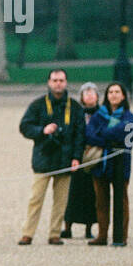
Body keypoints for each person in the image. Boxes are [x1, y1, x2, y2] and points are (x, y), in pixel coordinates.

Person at [18, 68, 83, 245]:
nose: (58, 84)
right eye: (54, 80)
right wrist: (42, 130)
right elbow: (24, 126)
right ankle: (27, 233)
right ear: (49, 82)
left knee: (60, 201)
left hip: (65, 159)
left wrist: (77, 157)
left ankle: (54, 233)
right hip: (43, 158)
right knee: (35, 199)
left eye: (61, 80)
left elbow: (80, 135)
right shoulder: (38, 105)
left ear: (66, 82)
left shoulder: (75, 107)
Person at [85, 82, 133, 246]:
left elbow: (126, 136)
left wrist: (103, 134)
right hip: (101, 165)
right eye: (110, 92)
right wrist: (110, 139)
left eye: (117, 91)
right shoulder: (99, 115)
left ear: (123, 96)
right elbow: (89, 135)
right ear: (106, 96)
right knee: (101, 201)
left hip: (121, 165)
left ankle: (121, 236)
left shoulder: (129, 116)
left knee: (122, 201)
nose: (113, 95)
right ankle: (102, 235)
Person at [61, 81, 99, 239]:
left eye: (92, 93)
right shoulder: (76, 112)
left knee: (92, 194)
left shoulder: (102, 113)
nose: (89, 95)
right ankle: (67, 226)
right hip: (77, 157)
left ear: (97, 96)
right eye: (86, 93)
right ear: (82, 97)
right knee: (72, 194)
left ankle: (88, 228)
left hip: (94, 159)